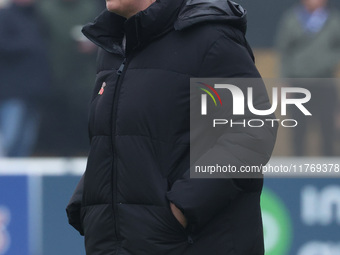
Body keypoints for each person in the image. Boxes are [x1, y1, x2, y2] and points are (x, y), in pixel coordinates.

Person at [66, 0, 277, 254]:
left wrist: (182, 208)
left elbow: (254, 130)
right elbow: (119, 137)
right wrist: (88, 202)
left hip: (188, 242)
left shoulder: (209, 37)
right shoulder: (113, 46)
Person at [276, 0, 340, 156]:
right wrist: (284, 81)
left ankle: (328, 169)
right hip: (298, 83)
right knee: (298, 128)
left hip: (324, 82)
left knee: (327, 127)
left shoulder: (333, 21)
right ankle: (299, 170)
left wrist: (326, 61)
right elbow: (284, 52)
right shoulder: (292, 19)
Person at [0, 0, 50, 157]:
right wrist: (28, 45)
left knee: (25, 144)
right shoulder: (5, 15)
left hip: (34, 93)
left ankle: (15, 182)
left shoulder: (38, 16)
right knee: (9, 141)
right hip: (12, 92)